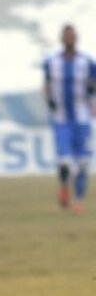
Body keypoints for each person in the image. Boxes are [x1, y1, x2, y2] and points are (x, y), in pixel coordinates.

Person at [44, 24, 94, 215]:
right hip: (62, 119)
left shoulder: (87, 62)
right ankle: (65, 185)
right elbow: (47, 84)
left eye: (73, 36)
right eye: (67, 36)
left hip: (83, 119)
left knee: (83, 163)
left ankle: (79, 201)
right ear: (62, 39)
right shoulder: (52, 62)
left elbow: (93, 84)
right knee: (65, 161)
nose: (70, 40)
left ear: (77, 39)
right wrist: (49, 102)